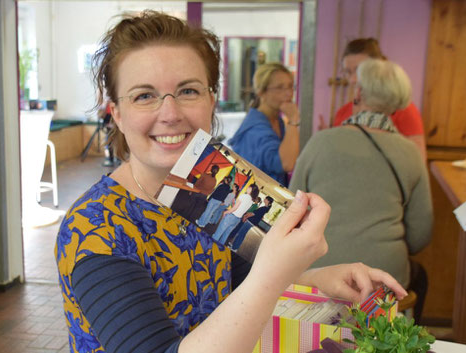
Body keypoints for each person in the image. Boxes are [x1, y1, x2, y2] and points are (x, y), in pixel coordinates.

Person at [55, 11, 407, 353]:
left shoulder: (211, 186)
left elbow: (237, 284)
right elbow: (258, 286)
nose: (171, 113)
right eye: (144, 95)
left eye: (188, 91)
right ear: (116, 112)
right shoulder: (94, 229)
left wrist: (320, 278)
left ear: (211, 100)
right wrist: (272, 276)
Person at [290, 59, 432, 321]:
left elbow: (293, 209)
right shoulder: (410, 153)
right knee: (419, 276)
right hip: (384, 279)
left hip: (321, 271)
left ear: (358, 93)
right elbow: (421, 234)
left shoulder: (320, 142)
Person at [318, 38, 427, 162]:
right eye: (348, 72)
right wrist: (329, 140)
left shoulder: (403, 109)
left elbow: (418, 162)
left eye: (360, 71)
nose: (353, 79)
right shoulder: (342, 113)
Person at [229, 63, 300, 186]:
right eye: (280, 87)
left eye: (290, 87)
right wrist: (293, 120)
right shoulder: (255, 129)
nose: (289, 93)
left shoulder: (277, 121)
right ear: (261, 92)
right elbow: (287, 164)